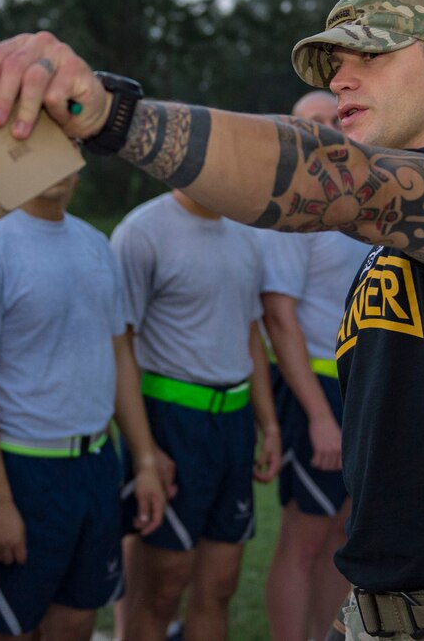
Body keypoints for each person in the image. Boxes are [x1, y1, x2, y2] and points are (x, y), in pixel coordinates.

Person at [0, 0, 424, 637]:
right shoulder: (421, 238)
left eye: (370, 57)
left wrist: (115, 117)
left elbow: (338, 179)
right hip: (388, 613)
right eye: (336, 65)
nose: (342, 80)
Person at [0, 172, 167, 641]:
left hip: (94, 467)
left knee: (76, 623)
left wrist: (143, 457)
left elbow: (119, 352)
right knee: (0, 627)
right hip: (21, 469)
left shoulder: (94, 245)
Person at [110, 189, 281, 641]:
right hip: (171, 420)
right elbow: (117, 344)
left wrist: (270, 424)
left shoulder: (245, 233)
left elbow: (249, 334)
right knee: (162, 588)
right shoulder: (141, 231)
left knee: (219, 586)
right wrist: (145, 452)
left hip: (233, 422)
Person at [260, 90, 368, 641]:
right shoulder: (292, 211)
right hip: (316, 390)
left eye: (336, 119)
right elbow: (279, 319)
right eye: (312, 124)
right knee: (303, 540)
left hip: (362, 388)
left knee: (344, 537)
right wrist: (319, 416)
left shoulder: (363, 203)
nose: (327, 131)